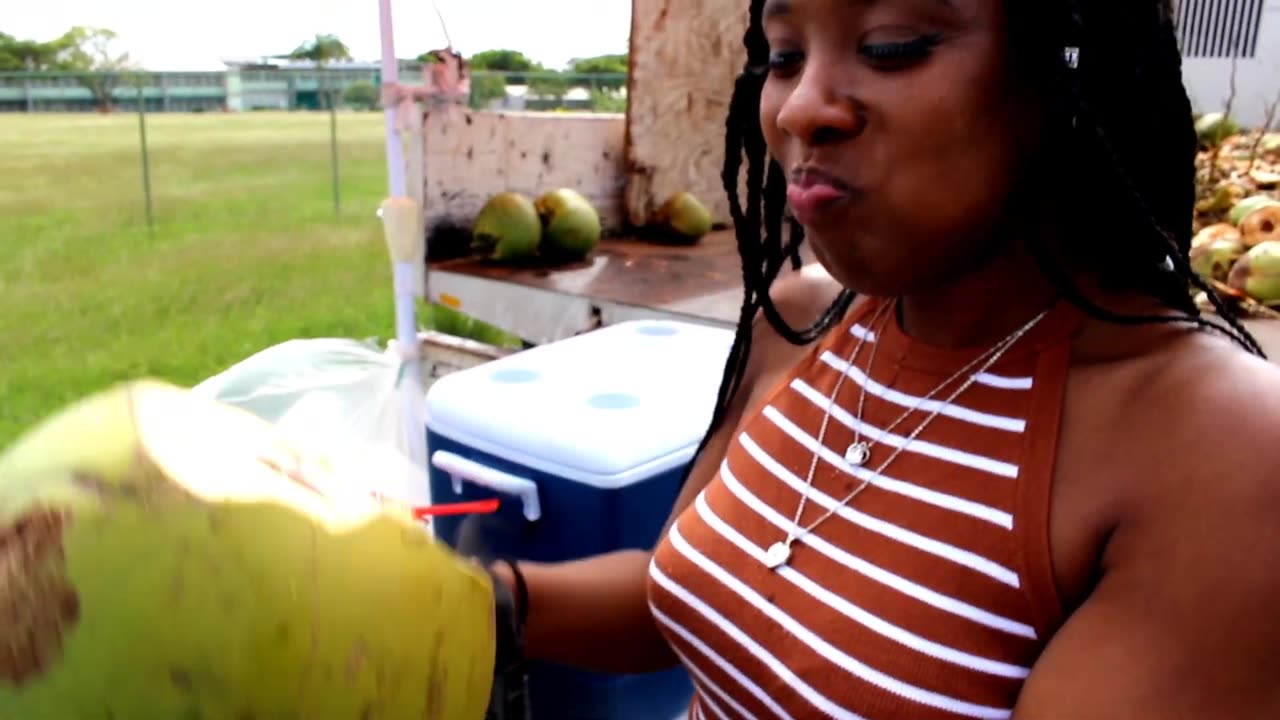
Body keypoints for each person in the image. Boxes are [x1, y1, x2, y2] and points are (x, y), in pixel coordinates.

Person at [482, 0, 1280, 717]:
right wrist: (485, 604)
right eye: (784, 54)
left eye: (892, 45)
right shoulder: (801, 323)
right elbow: (697, 600)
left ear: (1065, 71)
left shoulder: (1216, 453)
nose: (800, 108)